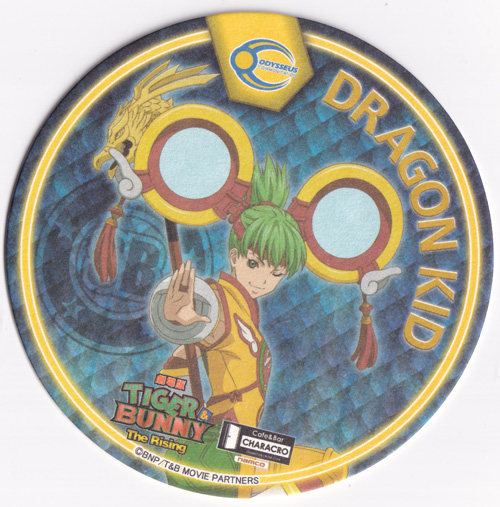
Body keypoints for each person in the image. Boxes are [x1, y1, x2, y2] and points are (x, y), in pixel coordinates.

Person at [160, 154, 307, 427]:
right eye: (253, 264)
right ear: (234, 256)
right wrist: (184, 323)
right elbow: (189, 349)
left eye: (276, 273)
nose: (263, 280)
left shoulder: (245, 308)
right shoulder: (219, 300)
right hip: (222, 427)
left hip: (239, 430)